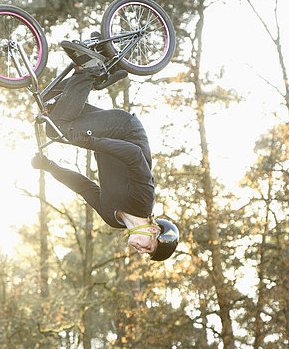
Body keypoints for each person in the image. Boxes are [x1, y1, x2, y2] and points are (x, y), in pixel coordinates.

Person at [31, 41, 179, 261]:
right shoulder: (144, 200)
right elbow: (134, 155)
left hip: (103, 137)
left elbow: (84, 187)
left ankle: (103, 70)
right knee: (57, 129)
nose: (141, 251)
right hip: (125, 130)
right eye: (149, 248)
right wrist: (93, 142)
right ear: (155, 231)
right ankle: (92, 68)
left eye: (145, 254)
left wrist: (50, 167)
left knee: (50, 102)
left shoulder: (112, 218)